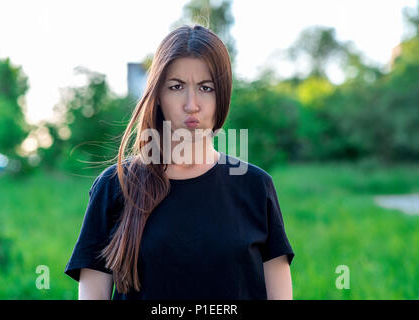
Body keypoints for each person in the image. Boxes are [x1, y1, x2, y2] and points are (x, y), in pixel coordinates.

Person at [64, 24, 295, 300]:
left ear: (223, 95)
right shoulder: (115, 186)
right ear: (158, 96)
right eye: (176, 87)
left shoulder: (256, 187)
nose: (192, 104)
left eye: (206, 87)